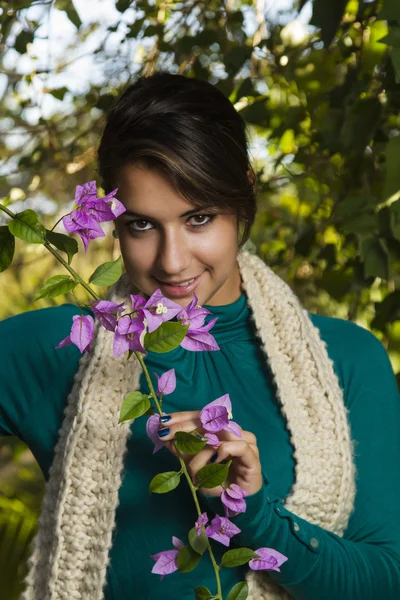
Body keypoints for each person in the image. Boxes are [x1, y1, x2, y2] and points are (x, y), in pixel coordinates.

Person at [0, 71, 399, 600]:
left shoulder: (349, 360)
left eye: (199, 218)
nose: (171, 261)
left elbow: (386, 578)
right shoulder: (56, 347)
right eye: (142, 225)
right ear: (113, 216)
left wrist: (255, 515)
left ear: (244, 198)